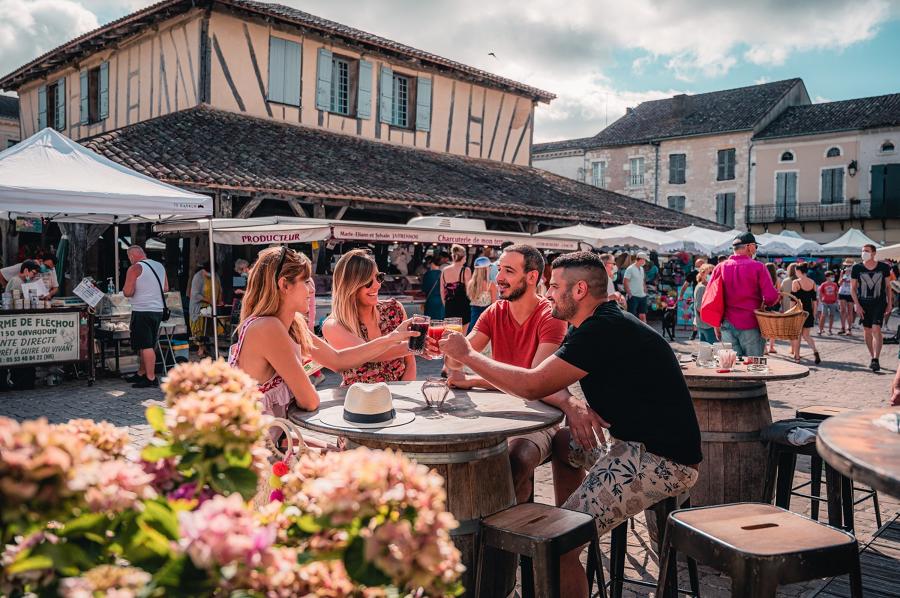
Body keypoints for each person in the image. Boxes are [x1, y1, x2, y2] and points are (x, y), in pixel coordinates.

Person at [439, 251, 701, 598]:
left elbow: (533, 383)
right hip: (629, 445)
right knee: (564, 442)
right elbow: (554, 380)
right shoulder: (597, 324)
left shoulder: (601, 329)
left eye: (554, 286)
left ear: (579, 290)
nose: (547, 293)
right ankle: (579, 519)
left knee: (557, 543)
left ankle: (571, 536)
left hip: (662, 461)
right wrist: (576, 405)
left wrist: (469, 357)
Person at [442, 244, 595, 504]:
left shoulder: (551, 315)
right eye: (498, 269)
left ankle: (505, 529)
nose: (499, 277)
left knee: (516, 459)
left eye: (508, 271)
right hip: (499, 412)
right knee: (456, 454)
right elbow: (455, 363)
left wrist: (469, 371)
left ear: (533, 277)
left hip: (538, 415)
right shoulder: (494, 312)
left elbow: (531, 382)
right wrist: (446, 350)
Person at [229, 246, 418, 422]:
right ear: (284, 285)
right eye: (305, 282)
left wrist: (392, 338)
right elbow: (310, 401)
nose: (312, 289)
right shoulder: (268, 327)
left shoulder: (293, 324)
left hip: (277, 436)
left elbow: (337, 360)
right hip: (257, 447)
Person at [322, 249, 416, 385]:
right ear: (350, 286)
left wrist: (401, 396)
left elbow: (410, 364)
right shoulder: (334, 326)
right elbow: (371, 354)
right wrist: (417, 345)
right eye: (368, 282)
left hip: (399, 400)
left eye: (379, 277)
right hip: (360, 403)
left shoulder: (394, 309)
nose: (377, 285)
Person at [708, 232, 780, 357]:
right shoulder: (758, 267)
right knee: (753, 367)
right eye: (755, 247)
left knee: (733, 367)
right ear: (749, 247)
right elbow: (771, 297)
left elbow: (711, 298)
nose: (755, 250)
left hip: (726, 324)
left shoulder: (720, 267)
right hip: (751, 324)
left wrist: (716, 324)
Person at [122, 246, 167, 388]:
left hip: (142, 310)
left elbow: (128, 292)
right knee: (146, 343)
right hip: (157, 310)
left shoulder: (134, 268)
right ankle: (141, 373)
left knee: (146, 345)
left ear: (131, 257)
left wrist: (128, 289)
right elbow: (165, 288)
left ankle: (150, 378)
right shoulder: (159, 266)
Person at [851, 244, 893, 372]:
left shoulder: (883, 267)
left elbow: (888, 287)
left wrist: (890, 303)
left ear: (874, 253)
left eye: (867, 251)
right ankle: (872, 356)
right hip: (863, 303)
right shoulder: (856, 268)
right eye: (863, 251)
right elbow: (853, 289)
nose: (864, 253)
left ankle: (876, 358)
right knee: (867, 330)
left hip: (879, 303)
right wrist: (856, 304)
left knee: (876, 329)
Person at [189, 262, 224, 357]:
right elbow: (195, 294)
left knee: (210, 328)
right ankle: (201, 348)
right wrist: (209, 300)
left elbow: (219, 288)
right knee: (200, 329)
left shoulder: (215, 275)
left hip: (212, 308)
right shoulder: (198, 277)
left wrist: (219, 300)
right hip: (200, 307)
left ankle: (209, 348)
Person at [791, 263, 821, 364]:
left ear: (799, 271)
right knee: (806, 335)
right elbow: (814, 301)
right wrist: (814, 313)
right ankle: (815, 351)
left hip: (798, 312)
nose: (795, 273)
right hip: (809, 312)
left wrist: (790, 312)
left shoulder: (796, 282)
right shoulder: (813, 282)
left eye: (796, 271)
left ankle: (797, 357)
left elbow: (793, 300)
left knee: (797, 336)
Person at [440, 244, 471, 324]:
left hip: (449, 307)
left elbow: (442, 290)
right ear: (464, 257)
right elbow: (469, 291)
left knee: (450, 333)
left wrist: (446, 305)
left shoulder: (445, 270)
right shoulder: (466, 270)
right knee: (462, 335)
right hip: (463, 306)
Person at [678, 257, 707, 340]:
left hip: (707, 297)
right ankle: (695, 332)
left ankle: (701, 331)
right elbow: (685, 285)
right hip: (697, 297)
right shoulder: (693, 273)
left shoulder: (708, 272)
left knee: (702, 315)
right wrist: (681, 295)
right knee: (696, 315)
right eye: (699, 265)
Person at [466, 256, 497, 332]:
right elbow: (494, 305)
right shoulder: (490, 285)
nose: (490, 269)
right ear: (486, 269)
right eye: (489, 267)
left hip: (474, 314)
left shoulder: (471, 284)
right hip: (486, 315)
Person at [693, 263, 716, 344]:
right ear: (702, 274)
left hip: (704, 324)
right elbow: (699, 307)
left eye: (714, 273)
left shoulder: (704, 286)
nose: (712, 275)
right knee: (712, 348)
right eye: (710, 273)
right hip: (707, 325)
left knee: (705, 350)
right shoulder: (702, 288)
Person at [623, 251, 649, 322]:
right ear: (641, 259)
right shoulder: (630, 269)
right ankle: (631, 332)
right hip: (633, 296)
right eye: (644, 260)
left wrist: (645, 288)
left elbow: (642, 280)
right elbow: (625, 281)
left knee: (643, 316)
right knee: (631, 317)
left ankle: (644, 332)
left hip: (642, 296)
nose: (645, 262)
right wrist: (629, 293)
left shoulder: (641, 269)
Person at [421, 256, 445, 320]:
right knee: (440, 321)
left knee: (429, 321)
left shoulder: (427, 274)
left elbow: (424, 289)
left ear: (431, 263)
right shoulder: (443, 274)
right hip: (441, 301)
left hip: (431, 301)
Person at [764, 262, 780, 355]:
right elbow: (779, 292)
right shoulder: (776, 280)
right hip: (774, 305)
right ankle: (771, 347)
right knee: (773, 326)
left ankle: (764, 348)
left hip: (765, 304)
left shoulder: (764, 278)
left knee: (764, 326)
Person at [818, 271, 840, 335]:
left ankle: (830, 329)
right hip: (825, 302)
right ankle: (820, 329)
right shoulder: (823, 284)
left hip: (832, 302)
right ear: (827, 277)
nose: (833, 277)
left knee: (832, 315)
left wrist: (837, 300)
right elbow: (820, 293)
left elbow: (836, 292)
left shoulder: (834, 284)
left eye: (833, 276)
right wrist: (820, 300)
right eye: (831, 276)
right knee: (823, 315)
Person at [837, 259, 855, 335]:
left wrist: (850, 282)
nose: (848, 266)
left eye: (849, 265)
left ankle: (849, 329)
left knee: (850, 311)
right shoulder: (843, 271)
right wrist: (842, 280)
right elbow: (839, 283)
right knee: (842, 310)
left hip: (851, 293)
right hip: (842, 292)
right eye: (846, 265)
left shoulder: (854, 272)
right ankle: (843, 328)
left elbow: (857, 284)